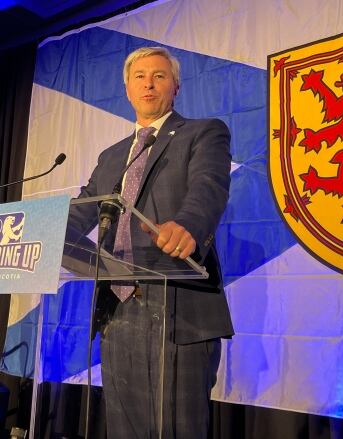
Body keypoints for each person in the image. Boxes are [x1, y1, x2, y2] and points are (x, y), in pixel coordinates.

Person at [71, 47, 234, 438]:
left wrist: (187, 225)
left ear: (175, 86)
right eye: (140, 75)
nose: (149, 82)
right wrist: (35, 230)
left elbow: (207, 188)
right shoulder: (112, 156)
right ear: (127, 88)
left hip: (178, 305)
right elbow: (81, 211)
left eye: (159, 76)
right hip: (116, 311)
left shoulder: (203, 132)